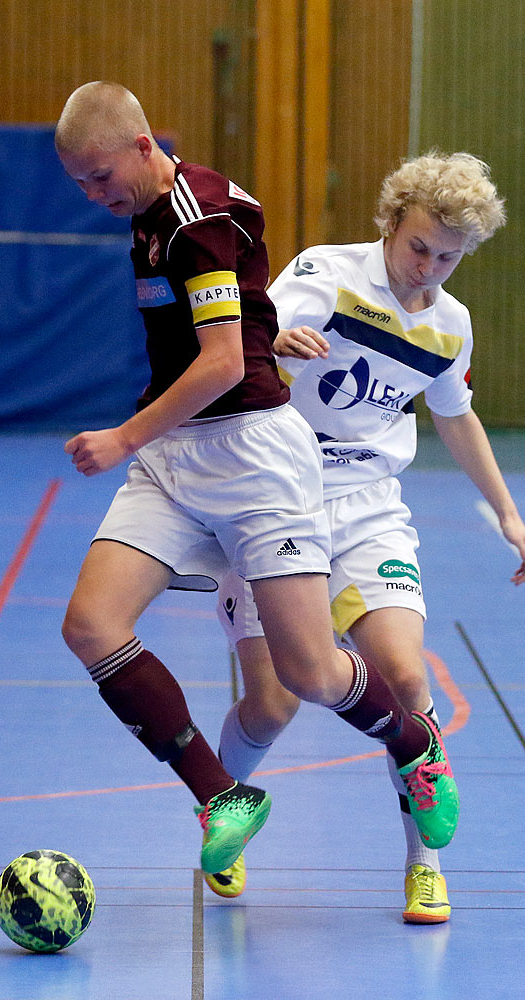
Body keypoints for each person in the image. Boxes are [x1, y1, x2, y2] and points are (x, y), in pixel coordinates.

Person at [52, 82, 460, 877]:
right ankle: (222, 796)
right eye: (79, 184)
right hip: (178, 456)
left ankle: (415, 745)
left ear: (144, 147)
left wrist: (121, 439)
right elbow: (243, 322)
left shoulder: (196, 222)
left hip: (252, 456)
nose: (93, 195)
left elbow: (223, 363)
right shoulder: (147, 213)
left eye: (100, 177)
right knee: (91, 625)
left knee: (307, 673)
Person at [202, 152, 525, 924]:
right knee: (273, 702)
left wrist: (508, 514)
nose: (429, 268)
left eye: (448, 258)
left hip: (368, 505)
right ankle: (220, 806)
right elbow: (247, 335)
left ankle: (426, 866)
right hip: (276, 496)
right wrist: (276, 346)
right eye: (420, 247)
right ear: (391, 224)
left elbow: (454, 414)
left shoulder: (450, 324)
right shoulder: (327, 274)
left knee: (406, 680)